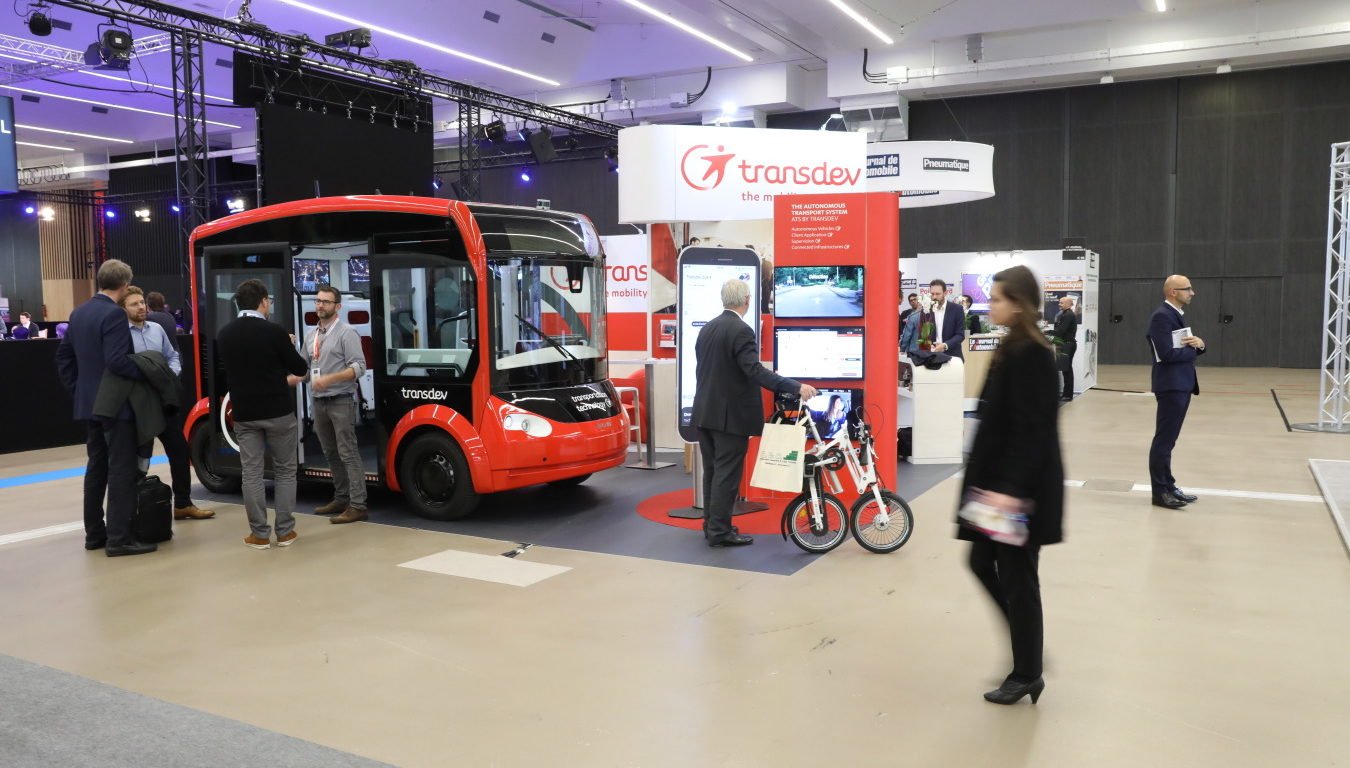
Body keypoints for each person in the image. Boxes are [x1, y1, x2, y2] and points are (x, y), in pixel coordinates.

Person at [959, 265, 1064, 706]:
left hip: (1017, 490)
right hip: (998, 486)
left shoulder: (1035, 354)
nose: (991, 304)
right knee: (982, 562)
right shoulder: (1011, 345)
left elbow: (1034, 432)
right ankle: (1029, 646)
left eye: (998, 298)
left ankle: (1027, 672)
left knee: (1019, 578)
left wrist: (1009, 490)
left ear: (1018, 303)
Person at [693, 279, 817, 547]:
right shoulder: (741, 331)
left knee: (713, 472)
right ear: (747, 300)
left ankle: (712, 526)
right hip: (729, 418)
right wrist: (796, 387)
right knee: (727, 475)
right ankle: (720, 531)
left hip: (705, 412)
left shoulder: (708, 329)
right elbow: (754, 371)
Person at [55, 259, 157, 557]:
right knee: (121, 470)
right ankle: (119, 538)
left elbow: (63, 358)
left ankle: (94, 534)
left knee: (96, 468)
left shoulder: (80, 312)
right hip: (115, 406)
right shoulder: (113, 315)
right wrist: (149, 372)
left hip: (89, 405)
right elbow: (117, 361)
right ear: (125, 285)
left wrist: (79, 390)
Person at [216, 279, 309, 549]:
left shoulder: (225, 334)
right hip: (278, 411)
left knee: (252, 473)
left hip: (245, 412)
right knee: (285, 471)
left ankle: (258, 534)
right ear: (264, 301)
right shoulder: (274, 332)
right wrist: (287, 345)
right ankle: (284, 531)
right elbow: (300, 368)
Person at [122, 286, 212, 522]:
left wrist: (169, 375)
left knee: (180, 450)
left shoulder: (157, 329)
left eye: (142, 302)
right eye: (134, 304)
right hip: (138, 405)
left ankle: (183, 503)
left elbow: (172, 355)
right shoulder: (120, 334)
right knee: (141, 457)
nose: (140, 307)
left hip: (164, 401)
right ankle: (134, 508)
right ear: (124, 309)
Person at [289, 285, 369, 524]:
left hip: (340, 400)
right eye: (318, 301)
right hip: (319, 402)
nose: (320, 305)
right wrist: (290, 379)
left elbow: (359, 367)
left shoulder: (347, 333)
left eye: (325, 302)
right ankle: (341, 497)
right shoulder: (312, 336)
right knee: (330, 452)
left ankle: (358, 504)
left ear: (338, 306)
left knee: (348, 452)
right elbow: (303, 369)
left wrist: (329, 379)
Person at [1147, 275, 1206, 510]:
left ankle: (1168, 486)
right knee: (1164, 440)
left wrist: (1199, 344)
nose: (1192, 293)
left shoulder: (1174, 315)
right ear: (1173, 292)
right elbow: (1167, 354)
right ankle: (1160, 492)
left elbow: (1184, 346)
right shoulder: (1162, 317)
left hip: (1180, 384)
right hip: (1171, 385)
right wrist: (1195, 350)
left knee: (1169, 441)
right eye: (1187, 289)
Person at [925, 279, 966, 359]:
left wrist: (945, 345)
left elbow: (960, 334)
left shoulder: (957, 309)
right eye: (932, 294)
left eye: (937, 294)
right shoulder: (927, 310)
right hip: (932, 357)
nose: (934, 297)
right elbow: (923, 335)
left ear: (945, 293)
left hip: (953, 357)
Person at [1052, 295, 1079, 401]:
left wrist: (1046, 332)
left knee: (1067, 369)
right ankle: (1065, 393)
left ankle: (1068, 395)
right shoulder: (1063, 314)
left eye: (1062, 303)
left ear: (1069, 304)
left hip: (1067, 344)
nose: (1059, 304)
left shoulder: (1068, 315)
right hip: (1064, 344)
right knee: (1065, 369)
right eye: (1059, 302)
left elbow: (1061, 331)